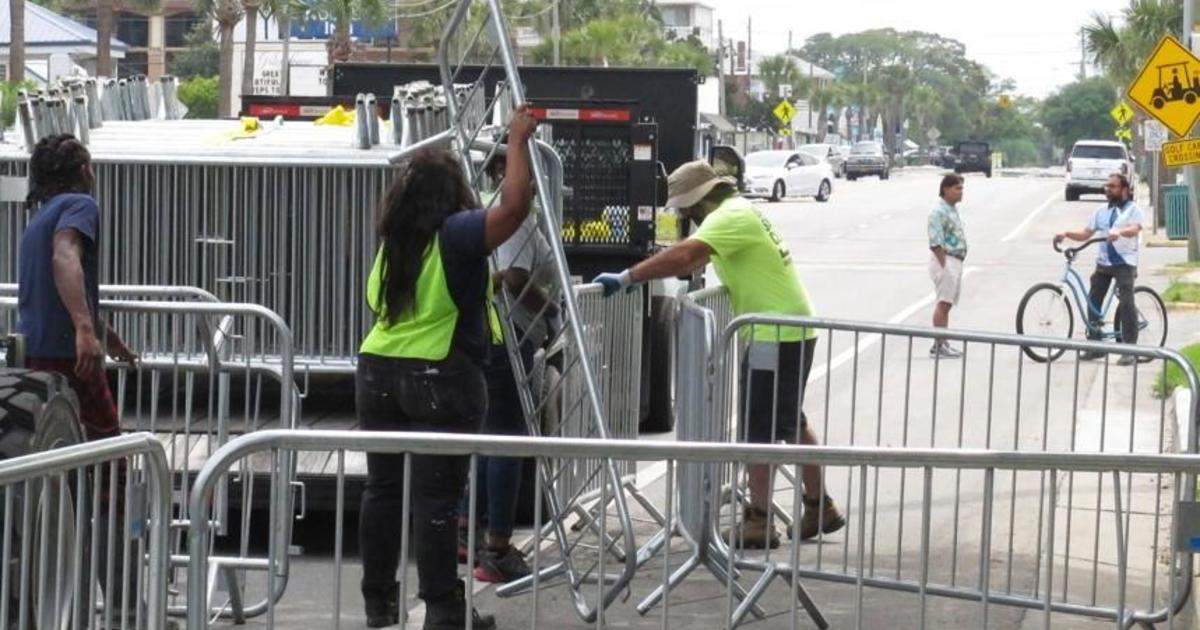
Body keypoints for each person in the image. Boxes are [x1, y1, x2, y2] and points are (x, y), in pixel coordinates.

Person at [593, 160, 845, 549]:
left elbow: (685, 255)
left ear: (701, 200)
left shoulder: (728, 217)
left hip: (772, 332)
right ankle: (819, 504)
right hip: (790, 326)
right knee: (790, 422)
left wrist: (629, 277)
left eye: (688, 210)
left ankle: (759, 520)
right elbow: (694, 258)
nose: (688, 218)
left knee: (756, 431)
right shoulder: (740, 212)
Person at [356, 107, 537, 629]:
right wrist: (519, 141)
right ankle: (442, 611)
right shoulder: (456, 233)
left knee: (382, 490)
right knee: (437, 499)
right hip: (439, 374)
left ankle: (379, 606)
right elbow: (515, 205)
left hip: (376, 373)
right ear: (451, 193)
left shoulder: (394, 243)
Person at [17, 133, 143, 627]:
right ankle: (124, 607)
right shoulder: (79, 206)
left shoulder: (37, 219)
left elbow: (57, 285)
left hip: (38, 364)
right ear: (84, 168)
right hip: (72, 366)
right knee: (111, 475)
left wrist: (107, 336)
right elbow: (65, 258)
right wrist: (86, 331)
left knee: (63, 484)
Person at [458, 151, 558, 584]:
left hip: (501, 337)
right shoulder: (510, 215)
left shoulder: (505, 215)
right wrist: (552, 310)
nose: (534, 181)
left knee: (491, 437)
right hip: (507, 340)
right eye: (527, 171)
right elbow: (514, 277)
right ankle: (496, 547)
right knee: (506, 440)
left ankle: (468, 528)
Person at [1055, 173, 1147, 365]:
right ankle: (1096, 346)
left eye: (1112, 186)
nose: (1108, 189)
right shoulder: (1101, 211)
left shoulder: (1133, 210)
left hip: (1124, 263)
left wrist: (1120, 232)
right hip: (1104, 264)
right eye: (1107, 186)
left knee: (1127, 302)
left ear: (1124, 189)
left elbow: (1135, 229)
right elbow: (1086, 233)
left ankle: (1131, 349)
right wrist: (1066, 234)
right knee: (1093, 300)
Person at [927, 173, 967, 358]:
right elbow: (935, 242)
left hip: (955, 260)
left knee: (948, 304)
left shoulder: (951, 209)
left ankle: (943, 341)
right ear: (946, 189)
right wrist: (944, 264)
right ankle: (938, 343)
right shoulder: (938, 211)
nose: (961, 192)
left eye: (962, 188)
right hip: (946, 260)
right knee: (943, 303)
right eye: (957, 188)